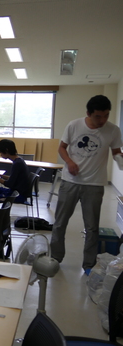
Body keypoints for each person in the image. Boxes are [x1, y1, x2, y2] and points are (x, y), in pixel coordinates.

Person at [50, 95, 122, 274]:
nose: (102, 120)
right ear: (88, 113)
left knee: (92, 227)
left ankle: (88, 265)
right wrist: (69, 162)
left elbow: (116, 152)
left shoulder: (113, 130)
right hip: (70, 181)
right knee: (60, 223)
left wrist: (120, 159)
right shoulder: (74, 125)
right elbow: (62, 147)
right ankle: (55, 257)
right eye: (98, 116)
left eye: (106, 115)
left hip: (95, 184)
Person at [0, 139, 29, 203]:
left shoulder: (17, 164)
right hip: (16, 192)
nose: (0, 155)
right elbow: (13, 178)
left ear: (6, 150)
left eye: (1, 152)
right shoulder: (19, 160)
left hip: (17, 195)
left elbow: (9, 184)